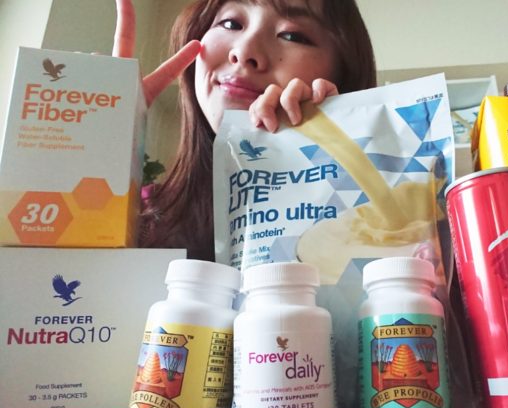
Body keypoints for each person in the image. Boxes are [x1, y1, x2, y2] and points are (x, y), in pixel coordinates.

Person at [113, 0, 377, 260]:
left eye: (292, 35)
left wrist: (333, 169)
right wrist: (102, 132)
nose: (244, 51)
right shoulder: (137, 218)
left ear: (343, 73)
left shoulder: (378, 222)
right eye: (231, 24)